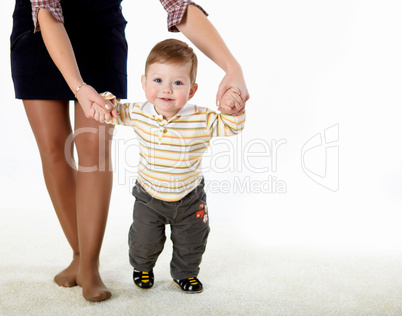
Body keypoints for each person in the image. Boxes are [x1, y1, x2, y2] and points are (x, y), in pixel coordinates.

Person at [10, 0, 248, 302]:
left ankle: (90, 266)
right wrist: (78, 86)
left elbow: (180, 6)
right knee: (55, 150)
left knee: (93, 150)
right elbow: (47, 11)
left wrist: (232, 67)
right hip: (40, 33)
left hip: (100, 35)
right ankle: (79, 257)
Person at [99, 38, 246, 293]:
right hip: (148, 196)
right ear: (144, 83)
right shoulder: (139, 111)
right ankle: (142, 267)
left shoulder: (202, 118)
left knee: (192, 241)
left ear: (191, 90)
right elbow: (112, 110)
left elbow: (232, 126)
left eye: (177, 83)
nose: (166, 89)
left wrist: (234, 107)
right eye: (158, 81)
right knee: (143, 240)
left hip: (189, 198)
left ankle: (185, 273)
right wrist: (106, 102)